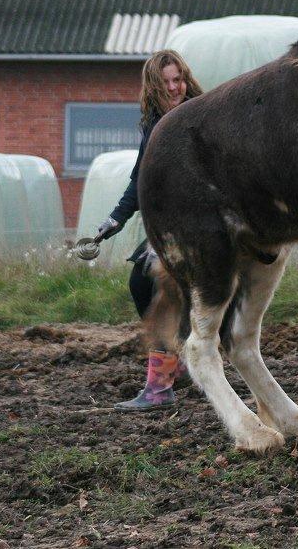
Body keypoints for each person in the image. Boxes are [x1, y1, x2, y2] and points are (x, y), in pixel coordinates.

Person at [96, 49, 203, 411]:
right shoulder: (155, 126)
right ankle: (181, 359)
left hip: (201, 221)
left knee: (165, 290)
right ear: (153, 89)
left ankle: (160, 387)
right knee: (140, 282)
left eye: (179, 79)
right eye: (166, 83)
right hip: (169, 223)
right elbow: (140, 180)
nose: (175, 88)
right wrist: (115, 219)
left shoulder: (201, 117)